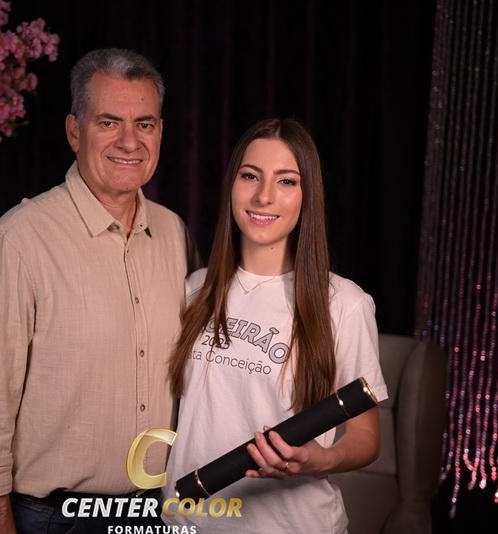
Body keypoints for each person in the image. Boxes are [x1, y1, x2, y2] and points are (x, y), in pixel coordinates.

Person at [0, 48, 197, 534]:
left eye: (144, 123)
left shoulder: (174, 234)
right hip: (54, 520)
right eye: (108, 122)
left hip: (158, 510)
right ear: (74, 131)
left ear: (160, 132)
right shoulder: (18, 241)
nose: (129, 141)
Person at [162, 118, 388, 533]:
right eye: (250, 176)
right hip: (187, 523)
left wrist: (321, 459)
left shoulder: (344, 304)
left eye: (286, 181)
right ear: (231, 185)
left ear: (307, 196)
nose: (264, 196)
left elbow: (366, 437)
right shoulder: (195, 289)